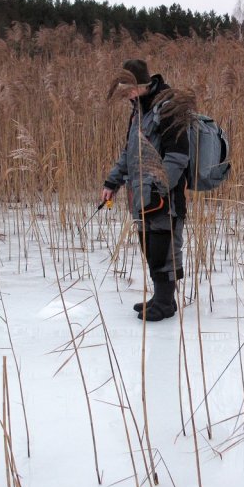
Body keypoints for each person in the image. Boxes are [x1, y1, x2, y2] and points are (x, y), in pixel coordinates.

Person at [101, 59, 191, 321]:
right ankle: (160, 297)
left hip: (165, 197)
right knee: (149, 246)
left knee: (165, 246)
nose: (127, 94)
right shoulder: (139, 111)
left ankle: (165, 303)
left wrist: (160, 187)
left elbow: (178, 156)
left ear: (143, 84)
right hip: (140, 194)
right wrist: (112, 183)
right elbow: (129, 153)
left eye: (129, 88)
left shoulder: (168, 108)